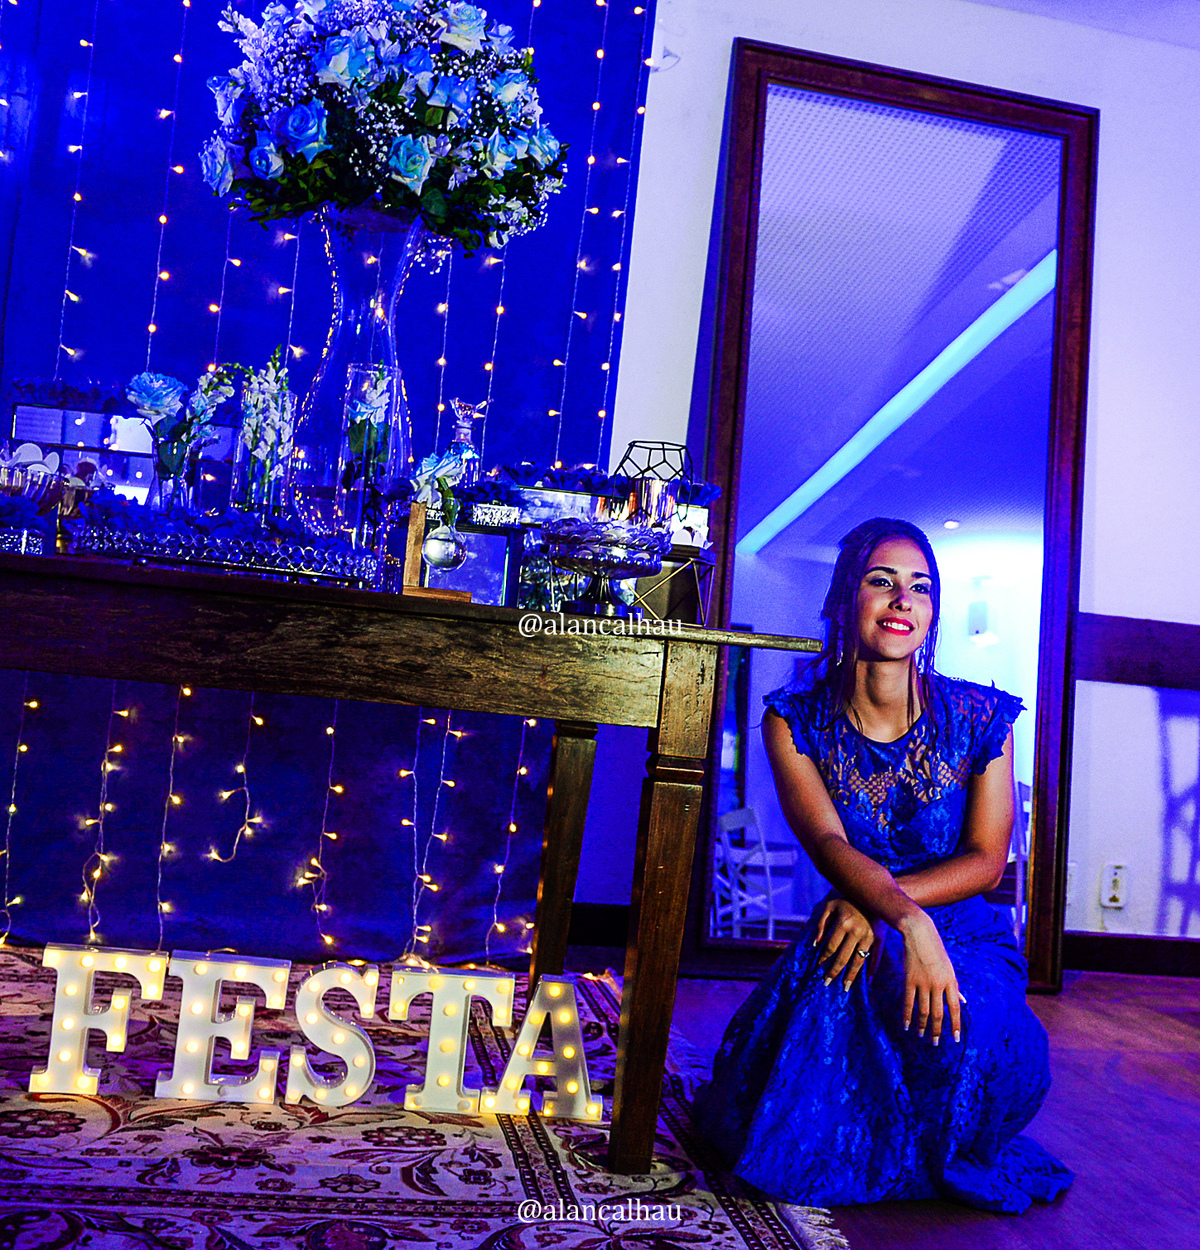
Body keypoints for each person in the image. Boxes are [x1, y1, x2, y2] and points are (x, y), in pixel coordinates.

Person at [692, 517, 1073, 1213]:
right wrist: (901, 919)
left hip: (958, 928)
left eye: (920, 588)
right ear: (846, 597)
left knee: (970, 1034)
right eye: (882, 581)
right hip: (862, 918)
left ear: (933, 611)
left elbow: (987, 862)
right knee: (798, 1097)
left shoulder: (984, 716)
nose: (903, 600)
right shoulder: (793, 720)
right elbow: (829, 844)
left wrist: (883, 906)